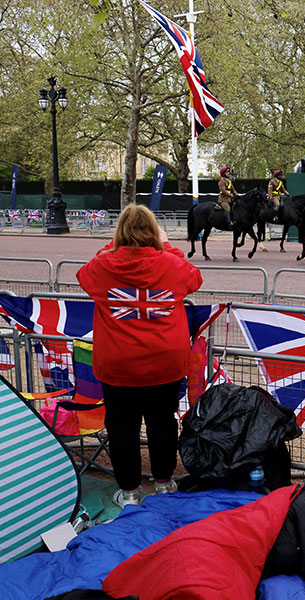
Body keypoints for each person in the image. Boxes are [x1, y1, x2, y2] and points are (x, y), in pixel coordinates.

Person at [76, 205, 202, 508]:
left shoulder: (103, 266)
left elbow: (85, 273)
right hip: (165, 363)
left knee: (121, 427)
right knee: (162, 423)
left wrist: (115, 245)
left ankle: (129, 491)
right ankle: (163, 482)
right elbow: (193, 279)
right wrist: (165, 245)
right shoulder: (171, 264)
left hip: (118, 364)